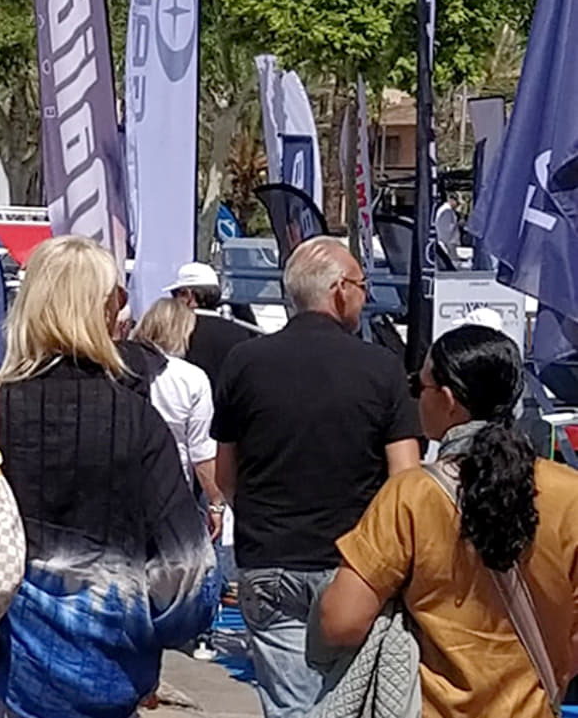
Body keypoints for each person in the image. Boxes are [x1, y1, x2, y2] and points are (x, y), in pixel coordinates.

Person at [0, 236, 219, 717]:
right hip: (103, 673)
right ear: (103, 311)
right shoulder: (138, 423)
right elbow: (184, 578)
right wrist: (149, 629)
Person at [210, 236, 423, 718]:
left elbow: (226, 474)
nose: (366, 296)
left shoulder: (244, 362)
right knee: (354, 703)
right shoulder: (382, 369)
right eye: (363, 286)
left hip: (269, 559)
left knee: (292, 708)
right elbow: (405, 482)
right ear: (340, 290)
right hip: (356, 566)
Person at [320, 325, 578, 718]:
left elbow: (341, 622)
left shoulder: (411, 495)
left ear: (448, 399)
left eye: (418, 386)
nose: (414, 397)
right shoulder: (569, 494)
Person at [131, 298, 225, 536]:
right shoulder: (191, 378)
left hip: (123, 487)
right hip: (172, 489)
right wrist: (215, 503)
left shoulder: (120, 367)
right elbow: (201, 451)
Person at [166, 262, 258, 382]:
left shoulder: (174, 332)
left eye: (175, 294)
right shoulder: (240, 332)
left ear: (189, 295)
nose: (174, 300)